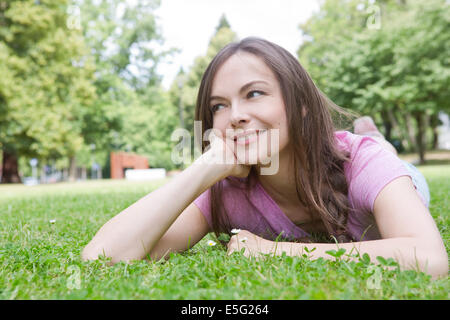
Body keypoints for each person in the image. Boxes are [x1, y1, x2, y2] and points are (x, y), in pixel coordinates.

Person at [82, 37, 447, 279]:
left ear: (301, 104)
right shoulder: (226, 188)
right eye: (219, 106)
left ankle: (379, 140)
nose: (235, 114)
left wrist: (276, 252)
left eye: (254, 93)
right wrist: (204, 167)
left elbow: (429, 259)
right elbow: (102, 258)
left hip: (391, 170)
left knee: (387, 157)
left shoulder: (362, 164)